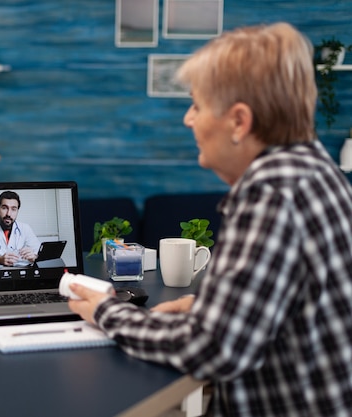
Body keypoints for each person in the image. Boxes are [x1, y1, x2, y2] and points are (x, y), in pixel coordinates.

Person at [68, 22, 352, 416]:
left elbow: (215, 348)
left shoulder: (268, 193)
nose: (188, 120)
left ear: (239, 121)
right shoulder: (317, 170)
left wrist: (106, 311)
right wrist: (202, 304)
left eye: (197, 105)